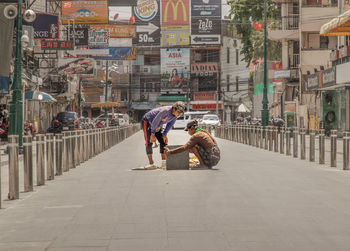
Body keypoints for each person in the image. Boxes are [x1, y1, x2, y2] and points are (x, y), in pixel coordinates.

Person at [141, 101, 186, 169]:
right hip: (148, 121)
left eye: (180, 113)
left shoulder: (175, 116)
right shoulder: (165, 111)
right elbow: (155, 121)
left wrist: (164, 134)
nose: (179, 114)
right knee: (149, 142)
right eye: (178, 112)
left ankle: (164, 162)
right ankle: (151, 163)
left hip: (158, 124)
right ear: (174, 108)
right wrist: (152, 134)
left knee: (163, 142)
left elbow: (170, 125)